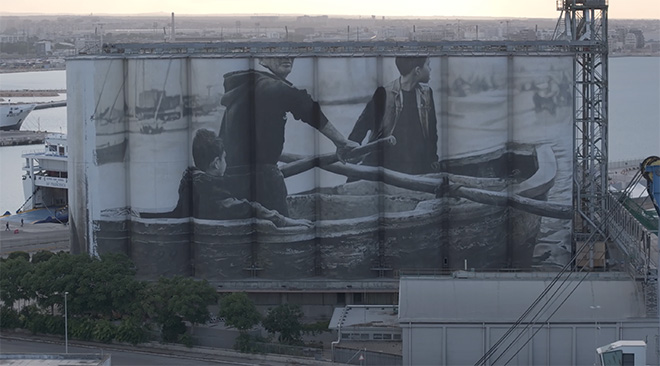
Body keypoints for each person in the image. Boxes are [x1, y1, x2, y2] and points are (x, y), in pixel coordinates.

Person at [219, 57, 359, 216]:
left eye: (291, 51)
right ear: (262, 60)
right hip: (263, 180)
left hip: (233, 179)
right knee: (281, 234)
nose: (287, 56)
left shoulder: (243, 89)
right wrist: (341, 142)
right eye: (277, 52)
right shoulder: (266, 86)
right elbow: (303, 104)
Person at [144, 129, 311, 228]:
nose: (226, 162)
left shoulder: (189, 182)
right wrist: (286, 221)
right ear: (216, 163)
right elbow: (248, 208)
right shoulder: (210, 191)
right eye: (224, 158)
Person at [348, 57, 439, 175]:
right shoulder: (384, 93)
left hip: (416, 164)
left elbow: (432, 131)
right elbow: (362, 125)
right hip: (386, 163)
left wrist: (433, 159)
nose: (430, 69)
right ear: (417, 70)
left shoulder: (427, 93)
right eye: (428, 65)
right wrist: (350, 151)